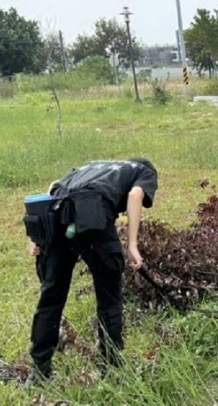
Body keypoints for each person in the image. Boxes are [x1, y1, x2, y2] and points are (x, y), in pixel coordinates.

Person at [27, 158, 158, 381]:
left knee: (51, 297)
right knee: (109, 297)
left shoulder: (92, 165)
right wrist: (132, 244)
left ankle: (39, 371)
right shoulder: (145, 171)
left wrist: (39, 236)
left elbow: (54, 186)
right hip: (93, 216)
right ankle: (111, 367)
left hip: (58, 213)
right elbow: (135, 195)